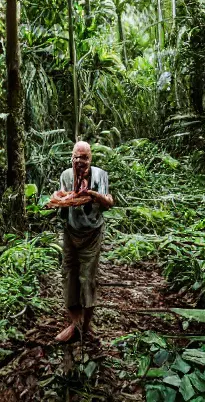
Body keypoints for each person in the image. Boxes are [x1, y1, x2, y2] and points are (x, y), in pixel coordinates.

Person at [55, 141, 114, 342]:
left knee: (87, 278)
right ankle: (74, 323)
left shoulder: (100, 175)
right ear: (72, 157)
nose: (80, 161)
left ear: (91, 158)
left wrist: (95, 196)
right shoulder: (66, 175)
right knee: (69, 273)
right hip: (70, 231)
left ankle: (85, 326)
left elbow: (108, 204)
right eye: (76, 157)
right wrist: (59, 198)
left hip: (92, 233)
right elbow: (62, 200)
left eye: (84, 157)